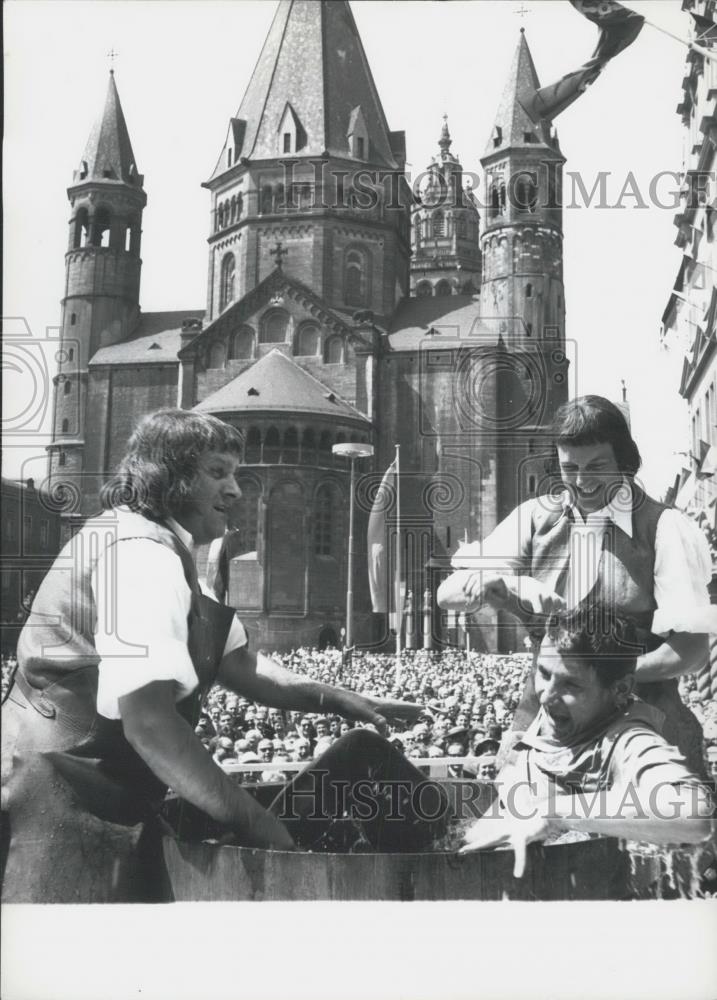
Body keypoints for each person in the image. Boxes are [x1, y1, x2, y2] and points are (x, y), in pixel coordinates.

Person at [0, 409, 422, 903]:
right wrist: (257, 822)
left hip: (89, 801)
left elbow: (242, 665)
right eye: (218, 472)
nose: (236, 491)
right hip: (65, 815)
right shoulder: (142, 557)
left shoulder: (148, 544)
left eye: (235, 474)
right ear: (168, 475)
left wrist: (343, 698)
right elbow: (150, 724)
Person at [438, 395, 714, 774]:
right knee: (517, 827)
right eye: (570, 468)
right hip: (545, 721)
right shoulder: (534, 518)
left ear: (625, 462)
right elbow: (447, 594)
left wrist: (604, 675)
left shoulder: (665, 527)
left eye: (597, 466)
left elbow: (692, 649)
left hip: (645, 723)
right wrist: (503, 582)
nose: (582, 481)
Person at [460, 607, 713, 876]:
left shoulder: (625, 739)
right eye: (544, 674)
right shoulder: (564, 714)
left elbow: (694, 813)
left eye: (570, 685)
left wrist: (552, 814)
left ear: (620, 690)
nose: (546, 696)